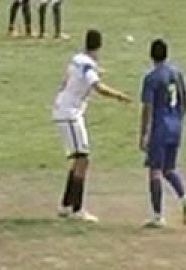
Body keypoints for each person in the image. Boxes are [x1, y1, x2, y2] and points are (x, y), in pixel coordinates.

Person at [51, 30, 132, 222]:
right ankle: (77, 209)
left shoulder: (77, 59)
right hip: (70, 113)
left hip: (63, 109)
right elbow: (98, 88)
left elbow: (68, 78)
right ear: (99, 47)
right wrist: (119, 96)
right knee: (83, 160)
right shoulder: (88, 67)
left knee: (79, 159)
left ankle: (66, 205)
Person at [139, 39, 186, 228]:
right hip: (176, 126)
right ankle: (184, 197)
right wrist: (178, 119)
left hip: (160, 128)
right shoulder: (177, 73)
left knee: (154, 170)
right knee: (169, 169)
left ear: (151, 55)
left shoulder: (151, 78)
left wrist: (144, 133)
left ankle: (157, 215)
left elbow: (147, 107)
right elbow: (185, 101)